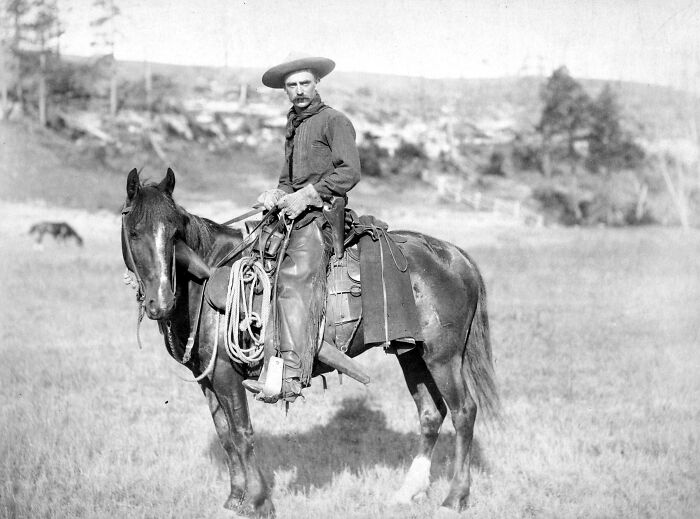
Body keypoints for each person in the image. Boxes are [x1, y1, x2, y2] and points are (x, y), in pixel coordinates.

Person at [243, 54, 361, 403]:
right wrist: (276, 194)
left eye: (304, 83)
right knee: (253, 258)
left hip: (323, 216)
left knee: (294, 278)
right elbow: (287, 180)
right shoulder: (294, 124)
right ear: (285, 91)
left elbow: (349, 172)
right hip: (295, 213)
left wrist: (308, 195)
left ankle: (291, 375)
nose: (298, 91)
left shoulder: (334, 121)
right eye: (291, 86)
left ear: (317, 84)